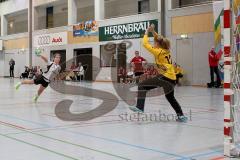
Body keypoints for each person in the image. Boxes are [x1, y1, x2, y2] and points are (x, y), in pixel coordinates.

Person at [129, 24, 188, 123]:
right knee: (170, 97)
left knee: (142, 86)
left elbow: (145, 44)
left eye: (155, 42)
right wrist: (153, 31)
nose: (154, 44)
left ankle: (140, 107)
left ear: (157, 44)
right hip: (172, 78)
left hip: (165, 77)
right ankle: (181, 116)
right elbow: (159, 39)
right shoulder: (166, 50)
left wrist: (147, 32)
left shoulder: (158, 51)